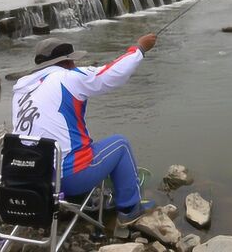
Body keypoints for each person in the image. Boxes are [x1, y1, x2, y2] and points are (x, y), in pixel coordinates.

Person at [11, 33, 157, 225]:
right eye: (72, 60)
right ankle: (130, 209)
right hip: (68, 179)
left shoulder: (21, 90)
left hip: (27, 180)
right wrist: (139, 48)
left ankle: (72, 201)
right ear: (66, 62)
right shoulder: (67, 77)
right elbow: (112, 74)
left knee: (76, 143)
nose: (75, 64)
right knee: (120, 144)